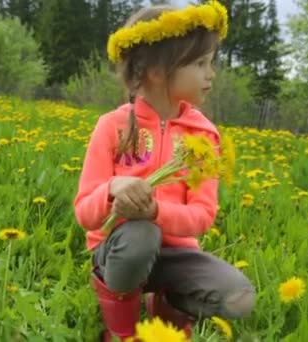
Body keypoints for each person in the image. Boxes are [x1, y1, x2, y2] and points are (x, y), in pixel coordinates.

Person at [73, 1, 256, 340]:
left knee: (239, 297)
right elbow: (85, 213)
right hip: (118, 249)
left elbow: (202, 215)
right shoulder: (111, 127)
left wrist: (157, 211)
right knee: (142, 235)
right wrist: (112, 189)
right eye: (201, 63)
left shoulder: (203, 135)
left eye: (210, 63)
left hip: (177, 254)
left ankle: (168, 309)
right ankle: (122, 328)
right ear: (158, 70)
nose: (210, 74)